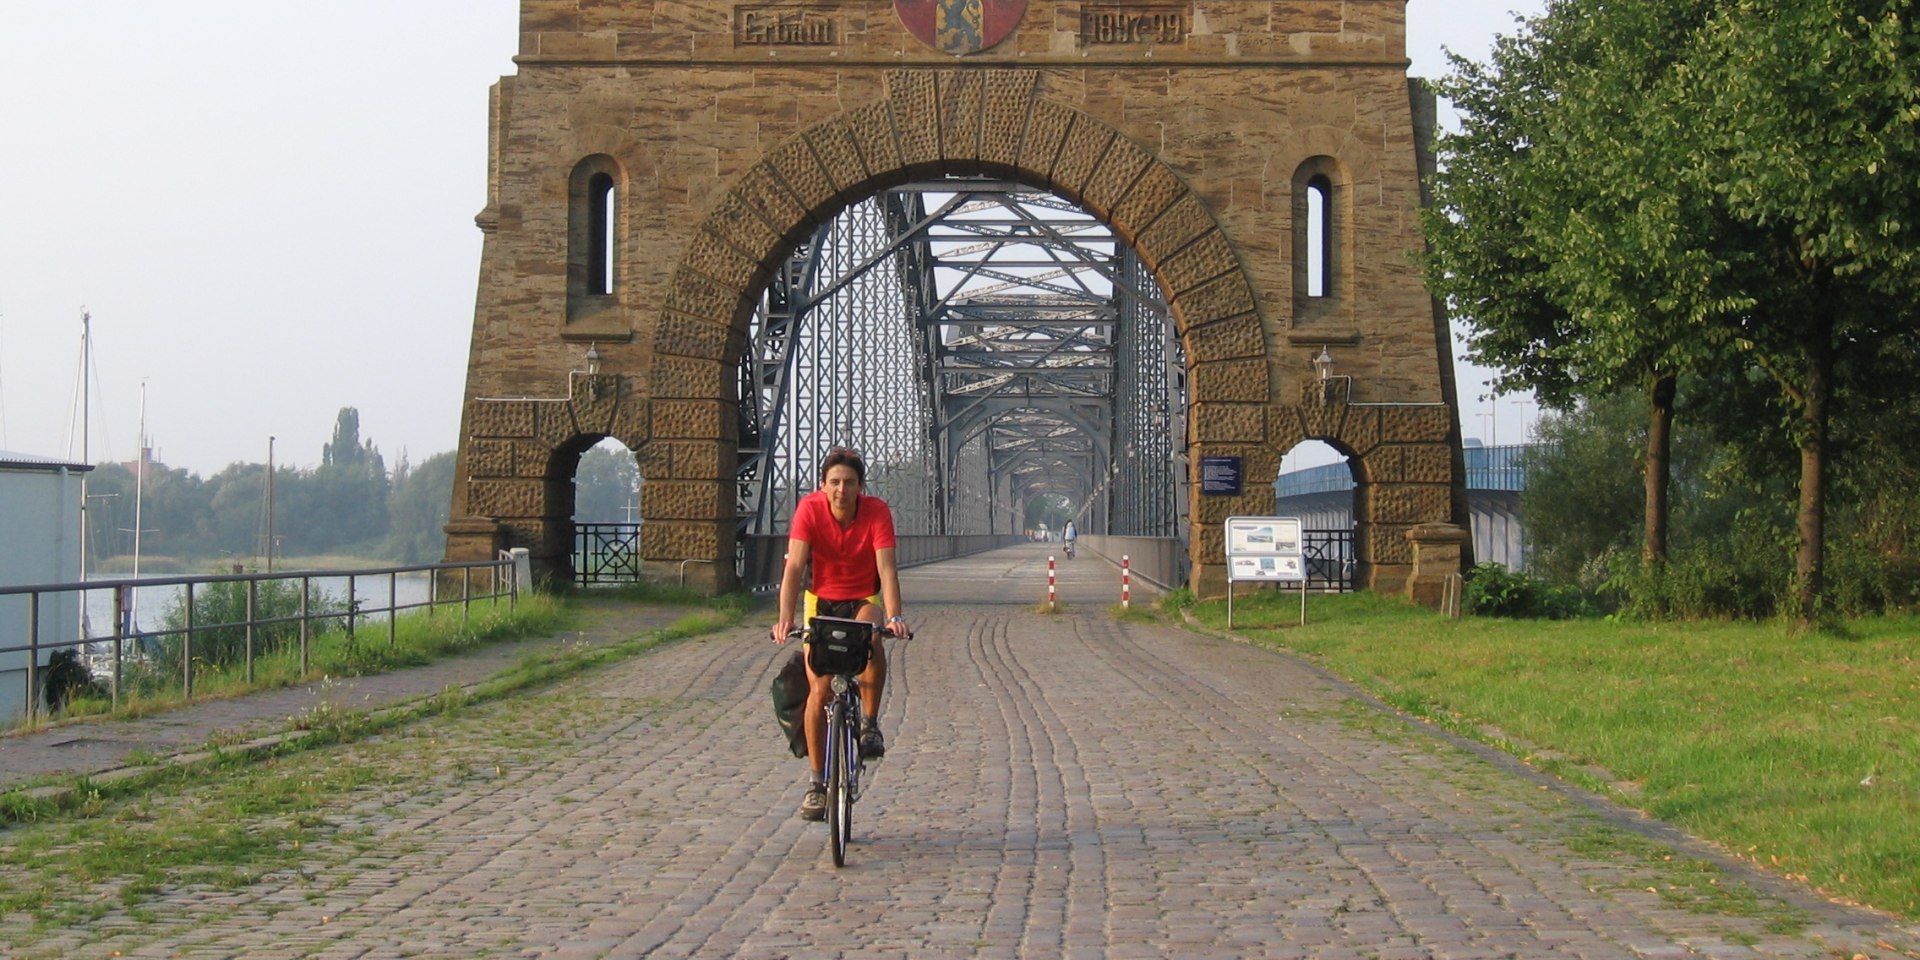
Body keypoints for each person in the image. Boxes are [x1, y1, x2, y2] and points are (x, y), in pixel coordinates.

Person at [771, 446, 910, 821]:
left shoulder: (876, 511)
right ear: (823, 485)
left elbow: (888, 570)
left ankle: (869, 725)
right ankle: (817, 785)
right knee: (819, 689)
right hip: (821, 601)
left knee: (873, 633)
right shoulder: (809, 510)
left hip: (861, 596)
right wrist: (784, 619)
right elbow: (794, 568)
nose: (841, 490)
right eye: (834, 482)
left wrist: (895, 616)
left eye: (849, 483)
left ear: (860, 486)